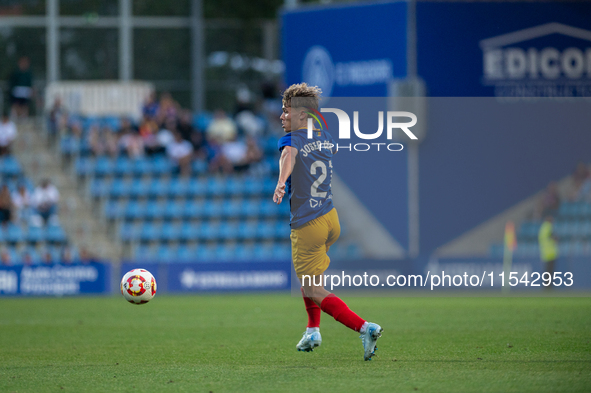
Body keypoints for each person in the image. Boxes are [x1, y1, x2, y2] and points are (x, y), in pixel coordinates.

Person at [273, 83, 382, 361]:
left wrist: (281, 181)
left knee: (311, 287)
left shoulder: (293, 139)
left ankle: (364, 327)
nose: (282, 116)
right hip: (330, 219)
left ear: (301, 116)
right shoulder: (323, 135)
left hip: (308, 225)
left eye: (286, 112)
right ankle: (312, 330)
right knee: (311, 279)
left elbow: (289, 156)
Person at [538, 215, 558, 290]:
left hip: (545, 253)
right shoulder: (548, 227)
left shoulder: (542, 228)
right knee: (549, 271)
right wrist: (555, 238)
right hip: (550, 253)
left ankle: (547, 286)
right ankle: (548, 287)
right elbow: (551, 236)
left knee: (547, 271)